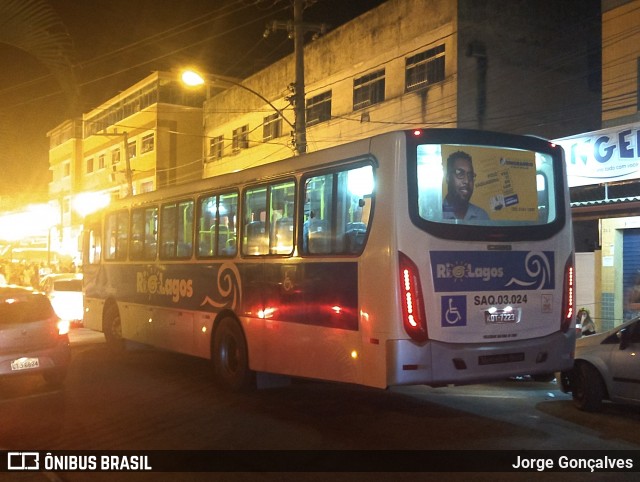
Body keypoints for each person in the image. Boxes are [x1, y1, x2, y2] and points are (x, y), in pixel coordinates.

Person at [442, 150, 490, 221]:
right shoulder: (433, 214)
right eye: (460, 173)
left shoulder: (482, 217)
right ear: (448, 178)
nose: (467, 181)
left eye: (470, 175)